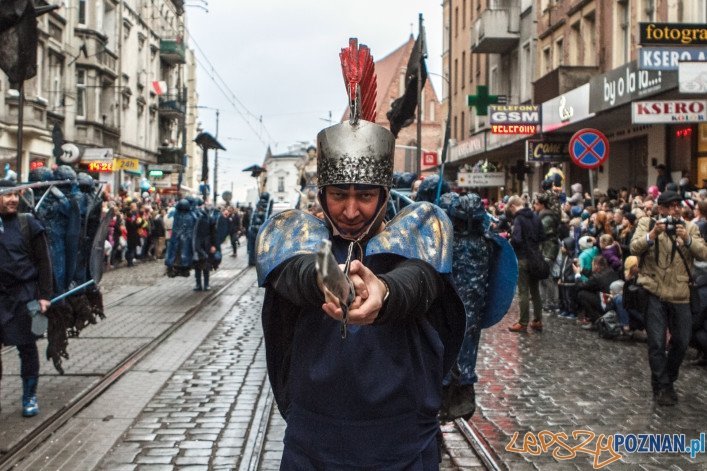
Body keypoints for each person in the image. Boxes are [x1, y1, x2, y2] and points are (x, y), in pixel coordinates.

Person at [255, 99, 466, 466]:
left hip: (402, 447)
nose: (351, 211)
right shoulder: (297, 235)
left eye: (365, 196)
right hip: (313, 447)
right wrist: (324, 280)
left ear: (384, 196)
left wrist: (383, 292)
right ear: (323, 195)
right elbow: (296, 271)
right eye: (339, 195)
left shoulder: (419, 230)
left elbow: (420, 280)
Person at [630, 189, 707, 406]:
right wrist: (653, 234)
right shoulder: (648, 223)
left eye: (678, 206)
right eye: (670, 206)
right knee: (656, 342)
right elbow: (634, 247)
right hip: (654, 291)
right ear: (661, 208)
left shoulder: (690, 227)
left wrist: (688, 239)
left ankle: (668, 379)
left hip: (680, 293)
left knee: (682, 341)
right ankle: (662, 386)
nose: (675, 210)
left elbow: (703, 253)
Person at [0, 180, 52, 417]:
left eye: (15, 194)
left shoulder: (27, 223)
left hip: (25, 296)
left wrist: (44, 295)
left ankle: (29, 397)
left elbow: (44, 261)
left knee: (27, 348)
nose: (12, 199)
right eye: (6, 195)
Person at [507, 195, 545, 333]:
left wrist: (510, 239)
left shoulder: (518, 218)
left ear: (513, 206)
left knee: (523, 291)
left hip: (523, 257)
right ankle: (538, 320)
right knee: (535, 290)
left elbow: (516, 239)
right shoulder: (535, 216)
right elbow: (542, 235)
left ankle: (523, 322)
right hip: (535, 257)